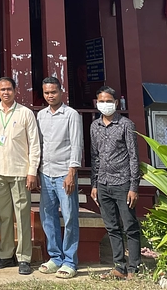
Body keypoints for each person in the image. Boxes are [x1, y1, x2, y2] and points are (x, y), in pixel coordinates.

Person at [0, 76, 40, 275]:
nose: (6, 92)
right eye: (2, 89)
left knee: (22, 216)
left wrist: (32, 171)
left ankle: (24, 257)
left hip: (20, 172)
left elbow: (34, 144)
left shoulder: (25, 113)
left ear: (15, 91)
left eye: (9, 89)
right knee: (4, 216)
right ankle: (6, 255)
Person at [91, 85, 142, 280]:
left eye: (108, 101)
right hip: (103, 183)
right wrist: (94, 184)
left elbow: (134, 157)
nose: (105, 105)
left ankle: (134, 267)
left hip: (123, 183)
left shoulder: (126, 124)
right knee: (111, 227)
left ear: (116, 103)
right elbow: (95, 156)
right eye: (101, 101)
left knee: (130, 225)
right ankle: (119, 266)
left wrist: (133, 187)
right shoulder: (94, 126)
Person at [36, 76, 83, 279]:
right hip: (45, 172)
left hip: (65, 173)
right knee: (47, 216)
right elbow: (37, 144)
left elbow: (76, 144)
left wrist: (72, 172)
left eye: (53, 92)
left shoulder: (71, 114)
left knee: (70, 215)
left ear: (61, 91)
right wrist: (36, 171)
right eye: (46, 92)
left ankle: (70, 260)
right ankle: (55, 257)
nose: (50, 96)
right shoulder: (40, 115)